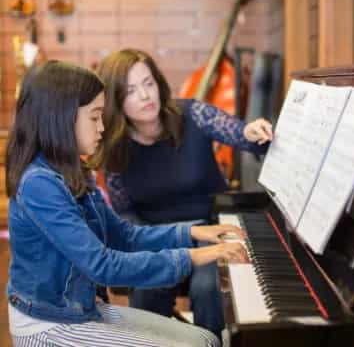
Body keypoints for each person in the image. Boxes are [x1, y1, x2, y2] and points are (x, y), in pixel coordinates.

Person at [5, 60, 249, 347]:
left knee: (207, 339)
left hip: (79, 309)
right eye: (95, 117)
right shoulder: (39, 184)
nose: (103, 127)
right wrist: (196, 256)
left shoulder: (73, 170)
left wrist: (194, 233)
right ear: (62, 119)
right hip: (49, 324)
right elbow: (103, 265)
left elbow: (124, 235)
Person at [94, 49, 273, 339]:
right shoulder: (115, 148)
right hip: (159, 241)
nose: (145, 96)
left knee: (209, 289)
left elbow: (240, 134)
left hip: (214, 231)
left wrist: (253, 132)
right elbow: (126, 214)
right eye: (130, 91)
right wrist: (160, 248)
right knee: (146, 292)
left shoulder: (194, 114)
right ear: (115, 101)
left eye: (148, 83)